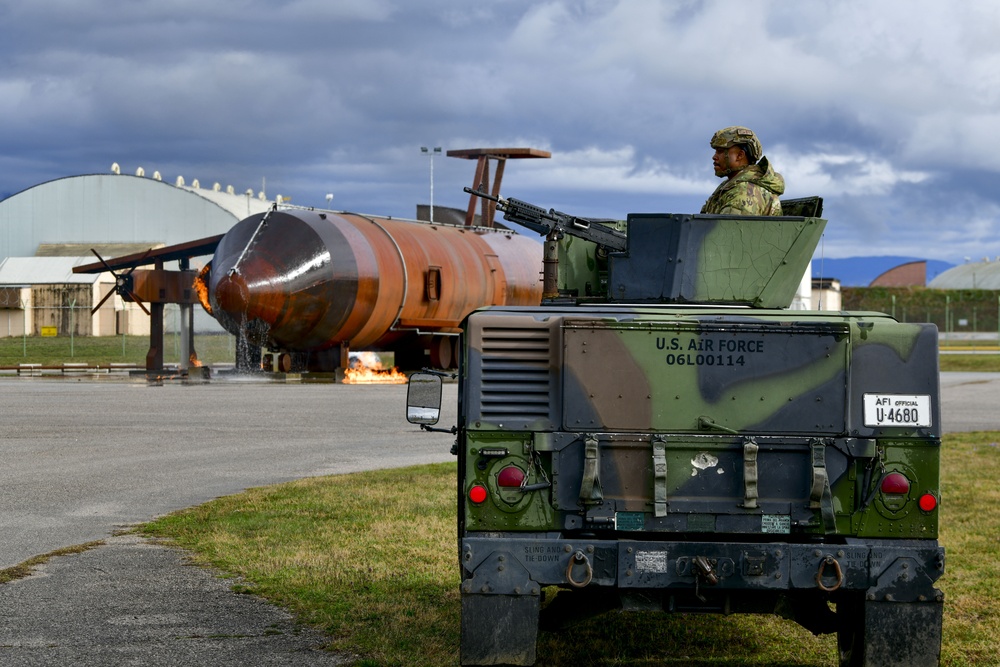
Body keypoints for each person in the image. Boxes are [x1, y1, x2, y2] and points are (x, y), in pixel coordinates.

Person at [701, 126, 784, 216]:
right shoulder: (730, 186)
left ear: (740, 155)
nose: (714, 157)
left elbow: (730, 228)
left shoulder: (745, 192)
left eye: (720, 151)